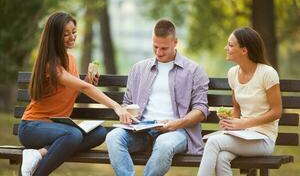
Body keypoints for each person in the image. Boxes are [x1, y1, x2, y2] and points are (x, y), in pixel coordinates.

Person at [18, 12, 133, 176]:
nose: (72, 37)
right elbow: (84, 89)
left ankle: (39, 153)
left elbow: (72, 93)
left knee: (99, 133)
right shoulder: (52, 64)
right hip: (33, 128)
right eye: (66, 34)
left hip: (58, 128)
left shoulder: (70, 59)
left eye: (74, 32)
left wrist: (88, 80)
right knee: (73, 134)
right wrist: (117, 106)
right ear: (54, 37)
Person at [106, 19, 209, 176]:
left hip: (176, 131)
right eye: (155, 47)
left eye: (164, 48)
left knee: (163, 144)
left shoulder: (194, 71)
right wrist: (126, 115)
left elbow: (201, 110)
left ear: (175, 42)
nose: (159, 52)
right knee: (113, 137)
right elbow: (127, 102)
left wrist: (175, 124)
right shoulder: (139, 69)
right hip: (141, 130)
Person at [197, 27, 282, 176]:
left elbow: (277, 112)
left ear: (244, 50)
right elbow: (236, 108)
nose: (226, 48)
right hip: (242, 135)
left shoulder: (267, 73)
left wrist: (245, 123)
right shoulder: (233, 73)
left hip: (263, 139)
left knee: (213, 142)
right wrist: (230, 123)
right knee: (222, 158)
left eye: (230, 45)